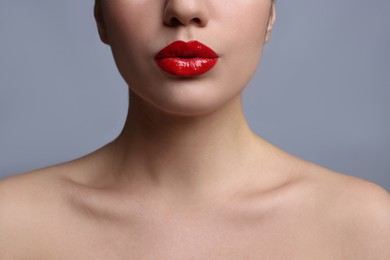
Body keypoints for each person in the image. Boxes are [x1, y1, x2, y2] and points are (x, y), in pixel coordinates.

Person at [1, 0, 389, 259]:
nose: (183, 9)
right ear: (100, 15)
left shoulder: (368, 229)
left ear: (271, 13)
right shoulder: (10, 225)